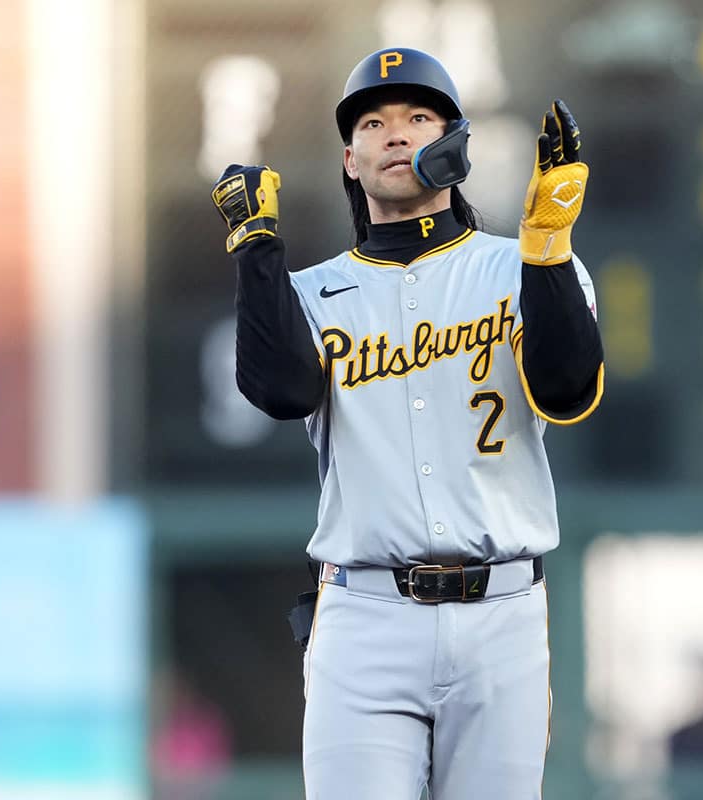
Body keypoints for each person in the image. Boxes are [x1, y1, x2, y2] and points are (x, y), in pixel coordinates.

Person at [212, 47, 603, 800]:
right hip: (365, 615)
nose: (395, 134)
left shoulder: (519, 265)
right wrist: (257, 253)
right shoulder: (313, 292)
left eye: (418, 117)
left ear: (454, 141)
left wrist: (548, 248)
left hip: (504, 613)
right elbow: (280, 390)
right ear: (349, 160)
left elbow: (566, 387)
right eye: (374, 122)